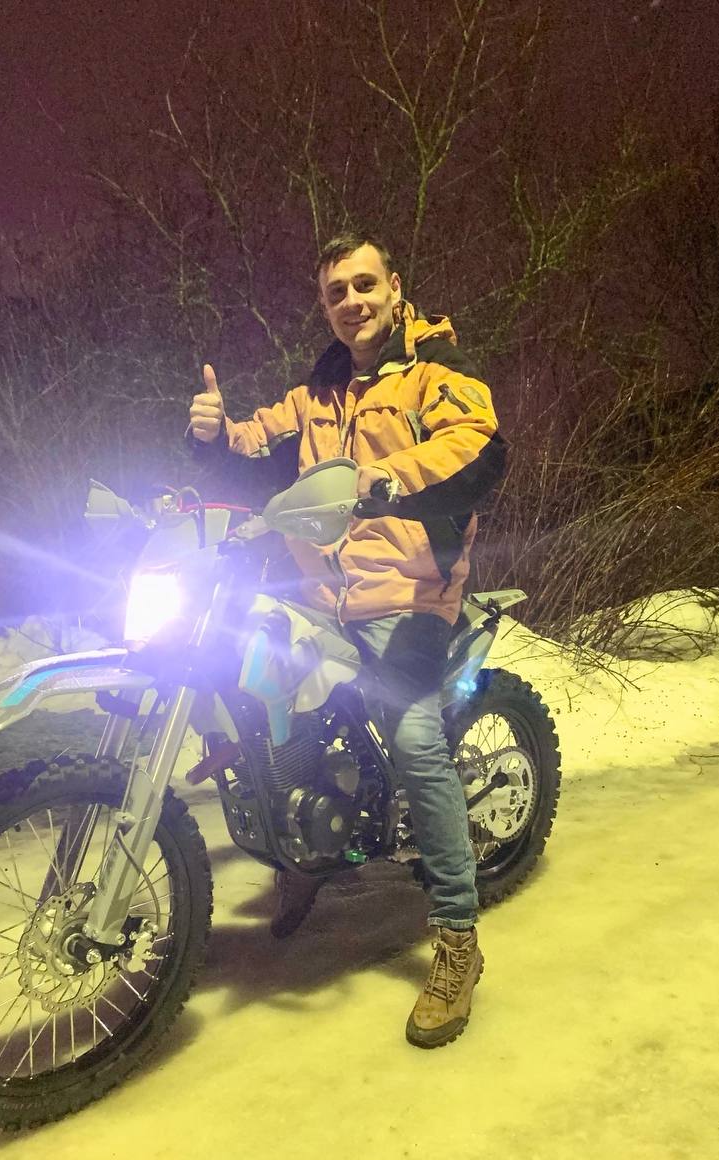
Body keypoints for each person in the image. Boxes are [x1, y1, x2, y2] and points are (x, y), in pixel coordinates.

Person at [188, 233, 506, 1048]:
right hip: (321, 598)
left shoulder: (438, 373)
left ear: (395, 288)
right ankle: (303, 856)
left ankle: (458, 937)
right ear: (325, 307)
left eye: (365, 285)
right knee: (262, 699)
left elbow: (477, 447)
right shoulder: (316, 397)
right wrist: (214, 436)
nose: (352, 301)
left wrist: (390, 480)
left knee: (415, 738)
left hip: (410, 596)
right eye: (337, 292)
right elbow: (257, 447)